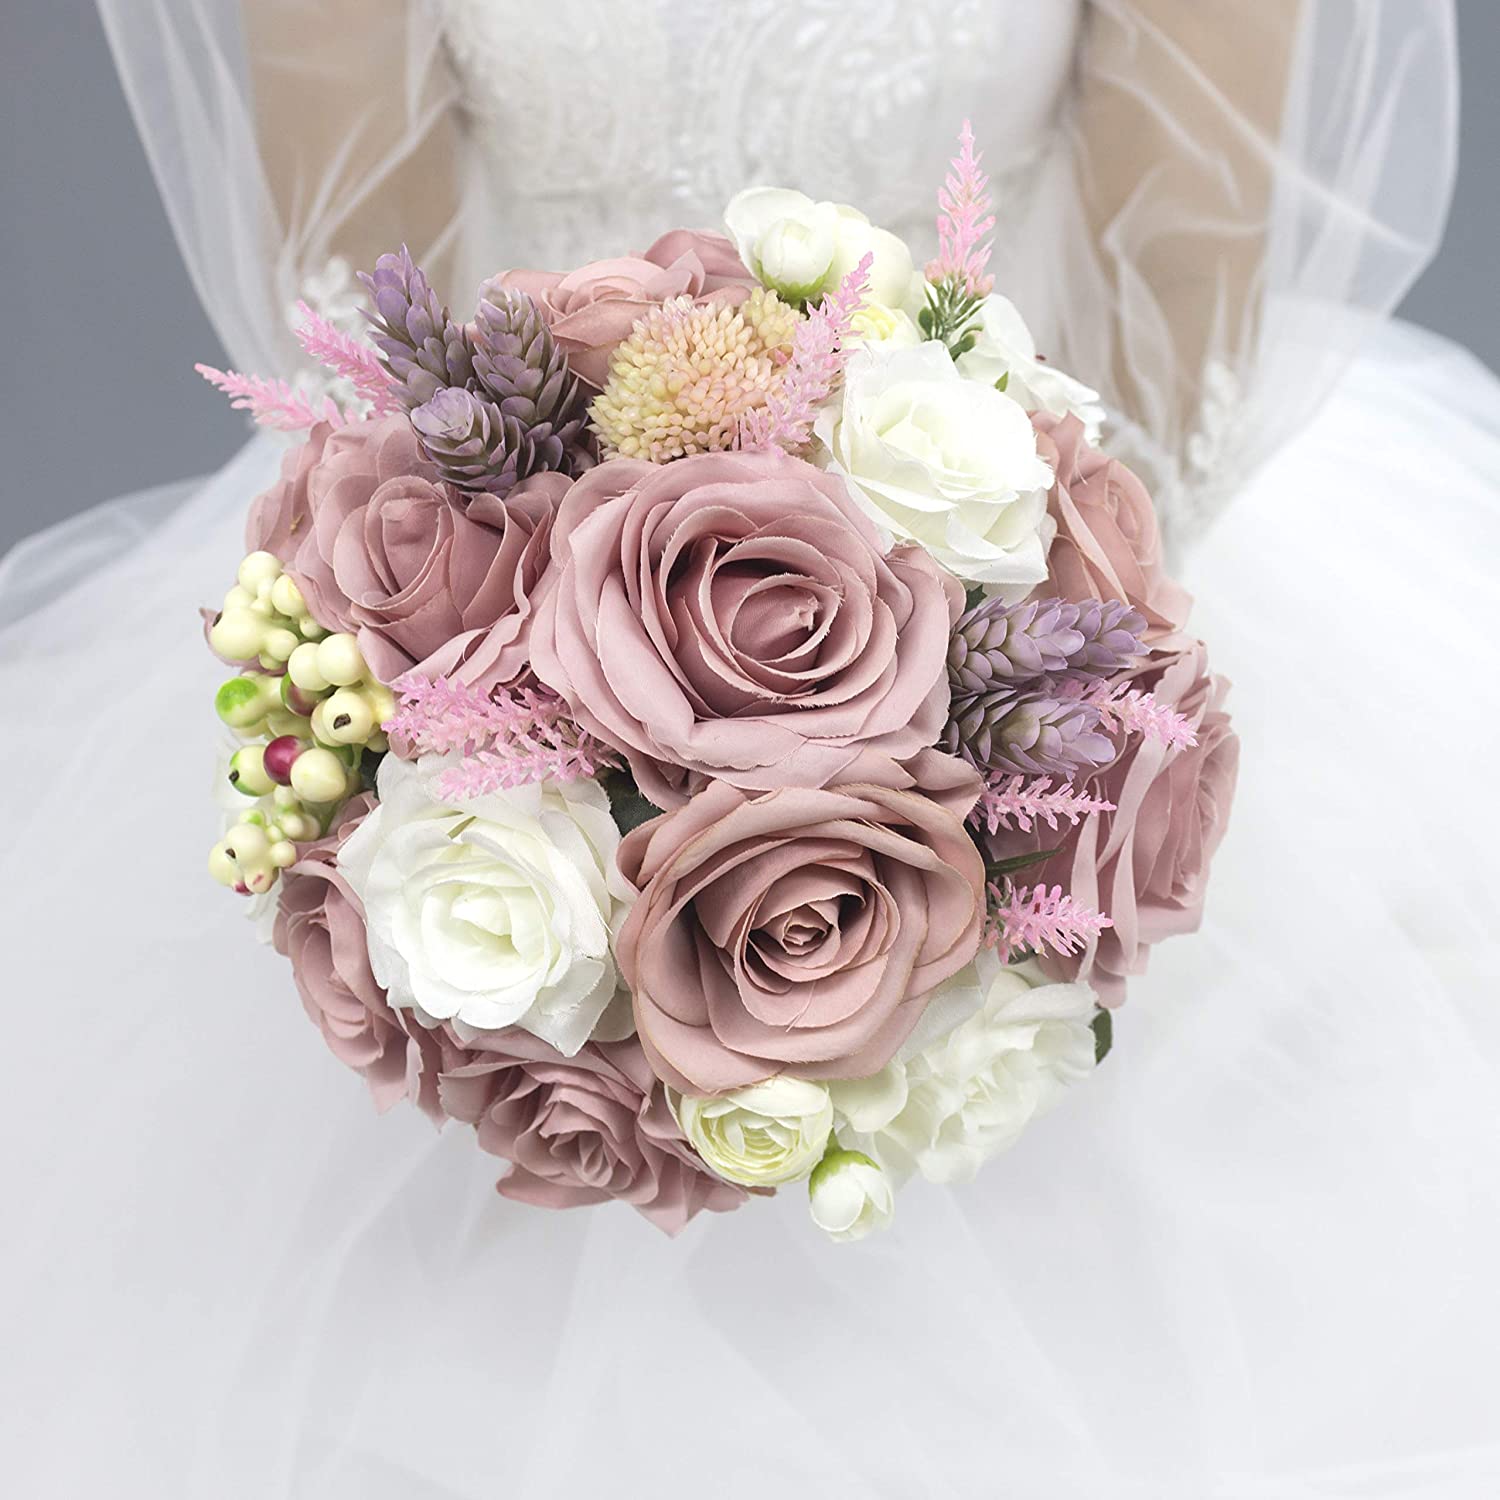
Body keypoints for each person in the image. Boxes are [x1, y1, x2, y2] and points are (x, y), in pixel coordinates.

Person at [2, 2, 1494, 1493]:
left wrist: (937, 728)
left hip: (1007, 580)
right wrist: (554, 724)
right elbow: (374, 321)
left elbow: (1178, 312)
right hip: (505, 621)